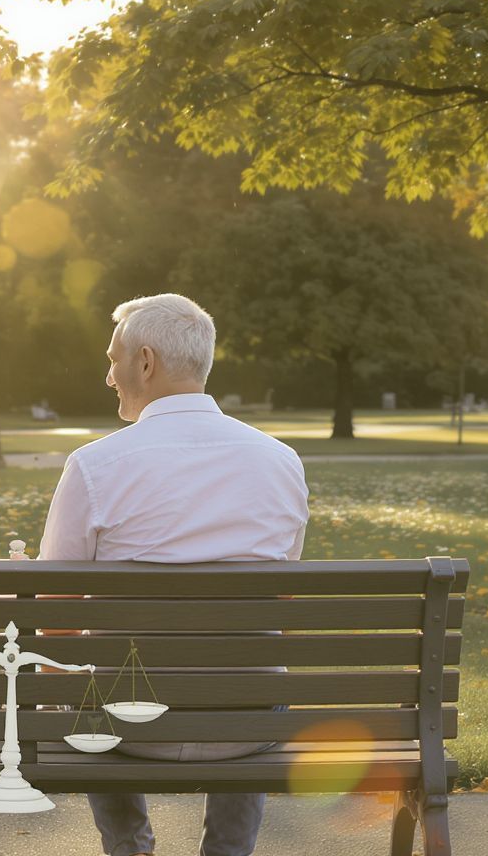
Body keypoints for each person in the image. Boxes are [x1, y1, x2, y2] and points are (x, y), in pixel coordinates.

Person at [38, 293, 309, 856]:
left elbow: (55, 621)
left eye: (113, 360)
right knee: (254, 671)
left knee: (79, 686)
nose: (107, 375)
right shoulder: (280, 461)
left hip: (127, 727)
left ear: (144, 361)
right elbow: (279, 600)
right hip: (246, 720)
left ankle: (130, 848)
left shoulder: (95, 465)